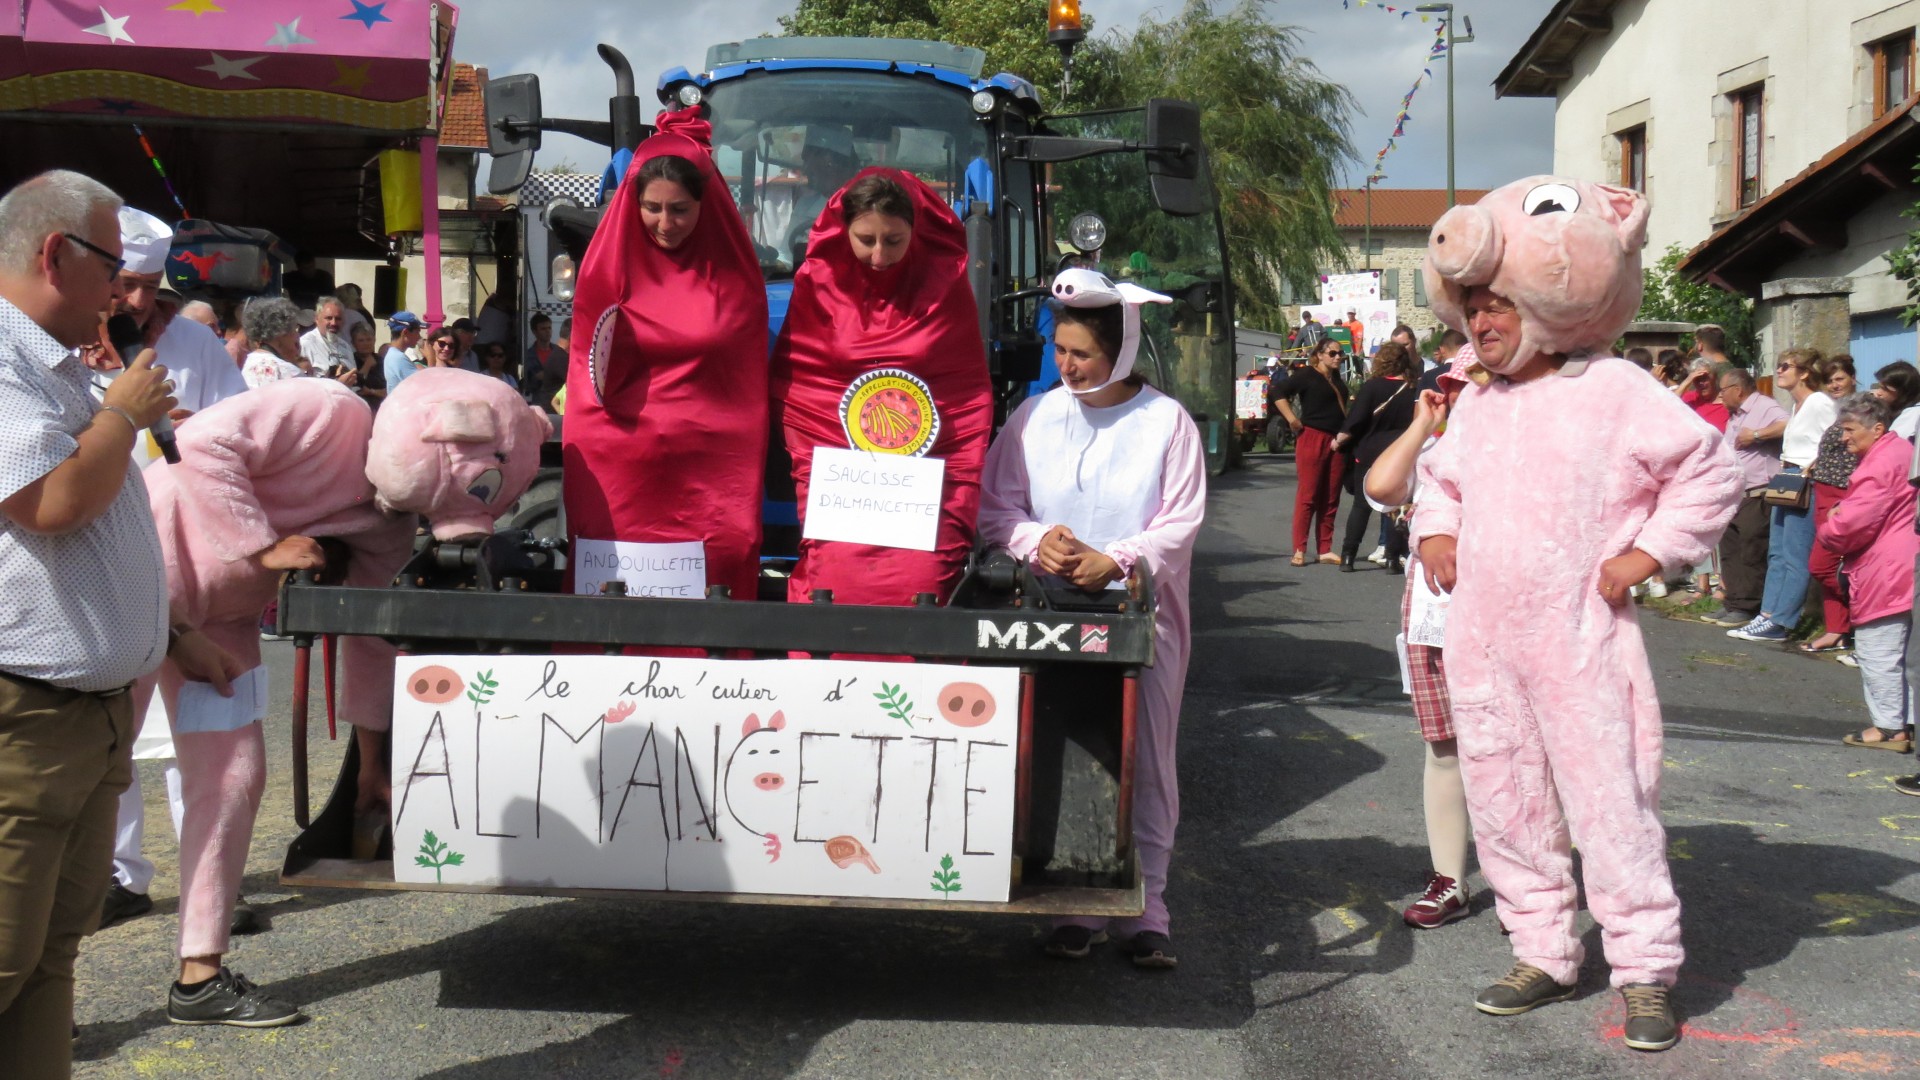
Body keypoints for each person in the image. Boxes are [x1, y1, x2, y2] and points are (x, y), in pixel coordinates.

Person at [1415, 175, 1742, 1051]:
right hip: (1485, 641)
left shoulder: (1613, 389)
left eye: (1497, 305)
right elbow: (1439, 481)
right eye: (1472, 309)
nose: (1482, 322)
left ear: (1540, 303)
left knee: (1610, 805)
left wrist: (1650, 553)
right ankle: (1542, 951)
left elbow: (1708, 470)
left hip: (1580, 639)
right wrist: (1437, 531)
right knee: (1506, 801)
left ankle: (1644, 969)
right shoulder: (1480, 404)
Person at [0, 168, 242, 1078]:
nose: (126, 295)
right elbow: (52, 503)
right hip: (26, 718)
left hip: (83, 719)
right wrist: (120, 415)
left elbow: (101, 537)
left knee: (47, 962)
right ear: (55, 255)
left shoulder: (58, 363)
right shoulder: (5, 359)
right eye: (115, 269)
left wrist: (172, 633)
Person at [980, 267, 1203, 969]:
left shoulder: (1166, 422)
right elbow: (996, 509)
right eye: (1061, 351)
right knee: (1064, 745)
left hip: (1143, 617)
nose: (1068, 366)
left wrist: (1119, 558)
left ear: (1123, 351)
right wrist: (1034, 540)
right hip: (1052, 616)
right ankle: (1074, 899)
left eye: (1083, 354)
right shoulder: (1034, 418)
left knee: (1148, 758)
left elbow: (1180, 523)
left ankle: (1149, 907)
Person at [563, 107, 771, 603]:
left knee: (719, 568)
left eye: (679, 209)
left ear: (706, 205)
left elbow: (745, 390)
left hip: (711, 467)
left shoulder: (737, 281)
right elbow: (589, 378)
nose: (664, 223)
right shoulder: (604, 272)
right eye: (652, 207)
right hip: (622, 463)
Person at [773, 168, 992, 606]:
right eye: (865, 239)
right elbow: (805, 384)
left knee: (924, 581)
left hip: (926, 479)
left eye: (893, 240)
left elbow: (964, 390)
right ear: (843, 233)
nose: (878, 255)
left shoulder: (945, 290)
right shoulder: (817, 285)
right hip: (842, 477)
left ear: (915, 232)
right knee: (832, 579)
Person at [1366, 347, 1483, 929]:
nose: (1464, 394)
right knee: (1443, 747)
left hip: (1505, 617)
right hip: (1435, 618)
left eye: (1477, 383)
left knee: (1528, 750)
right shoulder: (1436, 448)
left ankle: (1536, 885)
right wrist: (1422, 424)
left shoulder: (1529, 445)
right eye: (1457, 384)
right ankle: (1449, 879)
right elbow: (1383, 486)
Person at [1816, 394, 1918, 753]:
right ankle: (1907, 722)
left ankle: (1889, 728)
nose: (1843, 437)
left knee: (1879, 650)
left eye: (1849, 430)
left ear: (1876, 428)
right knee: (1907, 653)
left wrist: (1830, 524)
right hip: (1906, 560)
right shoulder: (1902, 451)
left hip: (1886, 568)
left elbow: (1853, 523)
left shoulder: (1879, 464)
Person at [1728, 348, 1831, 643]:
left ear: (1805, 373)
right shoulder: (1797, 405)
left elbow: (1834, 440)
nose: (1779, 371)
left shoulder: (1819, 402)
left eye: (1786, 366)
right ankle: (1767, 613)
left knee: (1795, 555)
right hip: (1786, 477)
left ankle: (1783, 621)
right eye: (1779, 365)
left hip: (1805, 480)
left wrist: (1812, 467)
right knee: (1777, 552)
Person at [112, 207, 248, 430]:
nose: (139, 301)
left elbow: (239, 416)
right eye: (128, 284)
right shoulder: (69, 339)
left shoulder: (197, 340)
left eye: (151, 286)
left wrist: (197, 428)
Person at [1703, 366, 1787, 627]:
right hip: (1734, 493)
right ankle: (1734, 602)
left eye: (1723, 391)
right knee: (1731, 550)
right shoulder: (1735, 415)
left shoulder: (1764, 406)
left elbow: (1788, 424)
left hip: (1758, 492)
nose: (1720, 396)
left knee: (1751, 550)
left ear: (1737, 390)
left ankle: (1749, 606)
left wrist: (1757, 435)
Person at [1333, 341, 1419, 573]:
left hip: (1369, 451)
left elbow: (1356, 419)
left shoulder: (1372, 387)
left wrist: (1339, 440)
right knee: (1394, 505)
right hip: (1399, 453)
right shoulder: (1413, 388)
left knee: (1361, 507)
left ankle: (1348, 556)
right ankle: (1392, 558)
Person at [1270, 338, 1349, 566]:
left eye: (1340, 353)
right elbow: (1277, 391)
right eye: (1332, 353)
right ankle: (1299, 548)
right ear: (1320, 354)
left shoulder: (1337, 379)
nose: (1337, 357)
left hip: (1336, 441)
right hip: (1313, 436)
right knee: (1308, 494)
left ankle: (1325, 548)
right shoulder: (1306, 374)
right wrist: (1292, 419)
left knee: (1331, 496)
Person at [1805, 354, 1864, 654]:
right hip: (1824, 490)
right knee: (1827, 564)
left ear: (1853, 378)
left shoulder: (1862, 408)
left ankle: (1861, 618)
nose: (1834, 385)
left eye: (1839, 379)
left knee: (1822, 565)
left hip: (1843, 494)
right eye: (1829, 381)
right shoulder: (1837, 410)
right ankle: (1836, 629)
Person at [780, 125, 861, 269]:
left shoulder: (866, 206)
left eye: (809, 162)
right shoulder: (805, 205)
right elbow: (786, 256)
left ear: (830, 164)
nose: (805, 170)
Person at [239, 297, 310, 388]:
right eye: (294, 329)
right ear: (281, 333)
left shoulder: (248, 365)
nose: (297, 335)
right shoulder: (287, 372)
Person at [298, 297, 353, 377]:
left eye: (338, 319)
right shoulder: (304, 344)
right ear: (316, 319)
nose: (334, 323)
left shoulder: (346, 347)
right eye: (329, 318)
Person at [526, 311, 567, 408]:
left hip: (558, 401)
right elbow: (528, 383)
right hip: (539, 402)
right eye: (543, 329)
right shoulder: (529, 355)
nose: (547, 331)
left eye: (549, 328)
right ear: (534, 331)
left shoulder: (559, 352)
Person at [1869, 361, 1920, 438]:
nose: (1878, 393)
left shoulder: (1913, 414)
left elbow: (1894, 440)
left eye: (1885, 389)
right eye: (1879, 387)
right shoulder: (1889, 412)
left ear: (1902, 391)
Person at [380, 311, 426, 389]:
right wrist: (431, 358)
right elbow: (424, 387)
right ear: (405, 332)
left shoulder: (394, 355)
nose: (419, 337)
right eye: (417, 332)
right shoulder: (398, 358)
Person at [350, 321, 385, 406]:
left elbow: (391, 390)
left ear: (374, 340)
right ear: (353, 343)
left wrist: (371, 391)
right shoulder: (351, 361)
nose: (366, 343)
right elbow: (356, 386)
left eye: (369, 339)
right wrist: (367, 365)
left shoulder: (382, 361)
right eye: (361, 340)